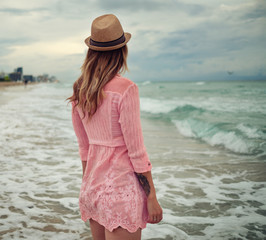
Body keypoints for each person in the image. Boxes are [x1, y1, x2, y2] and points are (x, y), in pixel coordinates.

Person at [67, 14, 162, 240]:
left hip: (92, 188)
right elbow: (136, 152)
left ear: (92, 51)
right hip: (121, 190)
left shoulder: (80, 90)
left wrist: (89, 184)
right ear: (122, 51)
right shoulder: (126, 89)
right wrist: (152, 197)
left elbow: (84, 148)